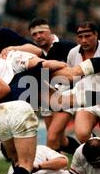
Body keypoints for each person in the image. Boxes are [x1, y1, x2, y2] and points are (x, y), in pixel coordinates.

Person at [28, 18, 79, 154]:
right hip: (46, 96)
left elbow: (81, 70)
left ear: (49, 31)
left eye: (41, 32)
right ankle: (88, 152)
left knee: (51, 138)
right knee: (60, 141)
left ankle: (54, 173)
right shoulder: (33, 52)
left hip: (67, 96)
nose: (38, 36)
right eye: (34, 34)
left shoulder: (69, 46)